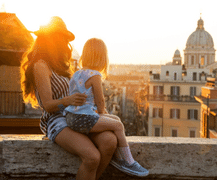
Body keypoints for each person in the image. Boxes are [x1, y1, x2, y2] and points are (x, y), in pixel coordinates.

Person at [20, 16, 118, 180]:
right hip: (56, 120)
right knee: (92, 157)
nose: (65, 44)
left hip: (76, 116)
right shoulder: (40, 65)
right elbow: (48, 105)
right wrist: (68, 100)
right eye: (62, 38)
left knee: (109, 142)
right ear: (51, 40)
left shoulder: (63, 67)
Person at [64, 38, 149, 177]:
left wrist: (104, 116)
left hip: (72, 117)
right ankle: (127, 161)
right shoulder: (95, 75)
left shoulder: (76, 74)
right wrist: (102, 114)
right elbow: (100, 101)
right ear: (102, 57)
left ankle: (122, 157)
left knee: (114, 118)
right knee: (118, 125)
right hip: (83, 119)